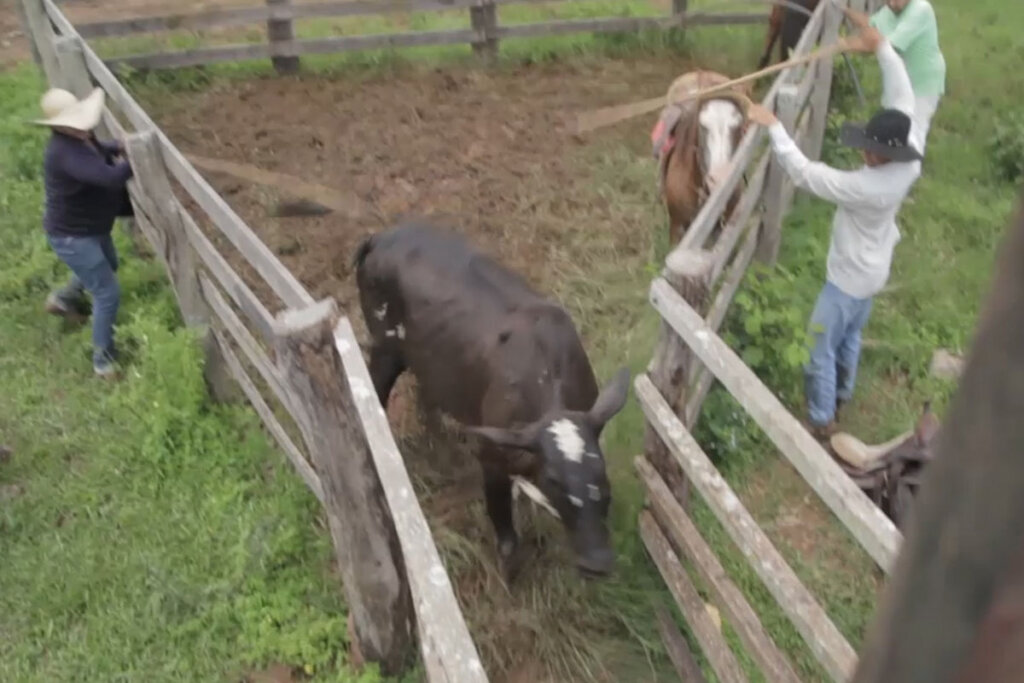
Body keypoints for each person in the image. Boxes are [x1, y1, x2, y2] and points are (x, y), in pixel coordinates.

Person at [745, 24, 923, 440]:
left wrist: (773, 126)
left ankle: (822, 418)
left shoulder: (863, 188)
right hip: (874, 273)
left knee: (818, 347)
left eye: (870, 149)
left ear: (883, 155)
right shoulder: (909, 162)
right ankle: (842, 392)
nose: (863, 150)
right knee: (851, 336)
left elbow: (806, 174)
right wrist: (880, 47)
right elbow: (904, 97)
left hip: (847, 278)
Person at [32, 87, 133, 378]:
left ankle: (63, 300)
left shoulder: (80, 139)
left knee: (109, 265)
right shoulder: (65, 153)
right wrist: (133, 160)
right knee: (107, 293)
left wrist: (120, 146)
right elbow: (110, 177)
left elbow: (101, 150)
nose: (83, 125)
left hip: (86, 229)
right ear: (60, 126)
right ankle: (103, 362)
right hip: (74, 236)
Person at [846, 0, 946, 153]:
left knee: (913, 131)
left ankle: (911, 168)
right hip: (904, 78)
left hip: (924, 82)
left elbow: (885, 46)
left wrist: (843, 45)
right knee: (895, 124)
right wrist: (843, 10)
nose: (892, 3)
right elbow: (870, 24)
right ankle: (891, 163)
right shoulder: (891, 10)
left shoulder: (920, 10)